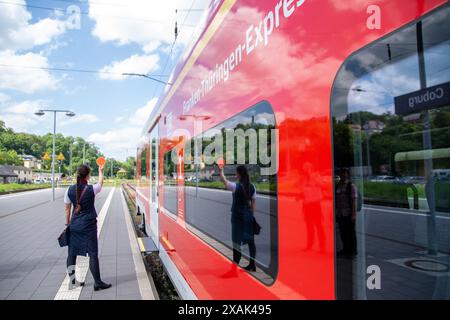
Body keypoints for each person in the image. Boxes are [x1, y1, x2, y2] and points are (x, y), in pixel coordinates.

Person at [63, 164, 111, 291]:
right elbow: (101, 182)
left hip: (74, 225)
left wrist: (67, 224)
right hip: (89, 226)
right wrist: (101, 170)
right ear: (88, 175)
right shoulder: (92, 189)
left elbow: (67, 209)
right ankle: (97, 282)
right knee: (93, 254)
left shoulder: (69, 190)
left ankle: (73, 282)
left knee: (72, 254)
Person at [219, 165, 257, 276]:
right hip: (249, 217)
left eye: (236, 173)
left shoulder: (236, 187)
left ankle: (234, 270)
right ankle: (252, 265)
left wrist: (221, 171)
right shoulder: (252, 187)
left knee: (236, 243)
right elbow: (254, 205)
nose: (235, 175)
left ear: (239, 174)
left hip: (237, 218)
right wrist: (250, 216)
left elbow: (224, 181)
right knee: (251, 242)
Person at [335, 168, 358, 258]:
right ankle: (345, 249)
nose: (343, 176)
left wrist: (353, 214)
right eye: (342, 174)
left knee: (351, 233)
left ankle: (352, 251)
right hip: (340, 213)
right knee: (342, 232)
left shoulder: (351, 186)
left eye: (345, 174)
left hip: (348, 213)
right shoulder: (338, 186)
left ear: (348, 175)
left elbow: (354, 200)